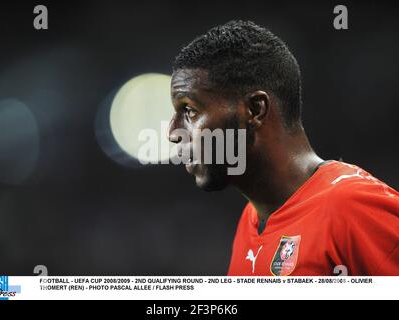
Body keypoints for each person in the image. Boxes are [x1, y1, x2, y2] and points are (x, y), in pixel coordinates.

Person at [168, 20, 399, 276]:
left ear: (255, 110)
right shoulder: (251, 219)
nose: (172, 133)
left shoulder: (353, 207)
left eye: (189, 111)